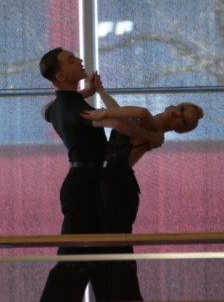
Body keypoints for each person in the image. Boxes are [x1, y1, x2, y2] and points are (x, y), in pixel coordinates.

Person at [38, 47, 161, 302]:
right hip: (85, 187)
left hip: (84, 183)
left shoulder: (63, 105)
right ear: (61, 76)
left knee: (91, 258)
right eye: (71, 60)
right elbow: (116, 123)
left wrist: (88, 92)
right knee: (75, 261)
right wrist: (153, 137)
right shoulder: (74, 108)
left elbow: (45, 111)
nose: (80, 60)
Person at [81, 82, 204, 301]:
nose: (178, 114)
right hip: (112, 182)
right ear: (174, 106)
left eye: (184, 120)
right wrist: (100, 92)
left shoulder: (154, 130)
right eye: (182, 109)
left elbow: (135, 114)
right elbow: (121, 115)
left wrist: (100, 115)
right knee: (106, 247)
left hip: (118, 185)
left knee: (114, 248)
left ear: (180, 129)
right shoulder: (149, 128)